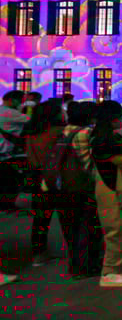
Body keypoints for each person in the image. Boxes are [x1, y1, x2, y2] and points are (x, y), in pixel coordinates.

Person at [90, 100, 122, 288]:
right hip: (113, 187)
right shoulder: (108, 140)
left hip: (108, 186)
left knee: (118, 227)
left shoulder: (99, 137)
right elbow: (120, 157)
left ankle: (117, 268)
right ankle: (110, 271)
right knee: (117, 228)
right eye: (119, 117)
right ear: (111, 120)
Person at [59, 101, 103, 279]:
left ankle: (75, 265)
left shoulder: (64, 130)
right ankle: (90, 265)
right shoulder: (85, 132)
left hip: (65, 186)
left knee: (72, 228)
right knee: (91, 228)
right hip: (83, 187)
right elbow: (87, 164)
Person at [23, 99, 67, 267]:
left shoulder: (31, 132)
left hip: (38, 176)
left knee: (41, 217)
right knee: (67, 215)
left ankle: (39, 253)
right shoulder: (57, 132)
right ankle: (75, 252)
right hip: (57, 178)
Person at [0, 90, 29, 154]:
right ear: (12, 100)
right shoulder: (11, 112)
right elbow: (32, 120)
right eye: (21, 101)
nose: (21, 104)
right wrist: (30, 108)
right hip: (8, 151)